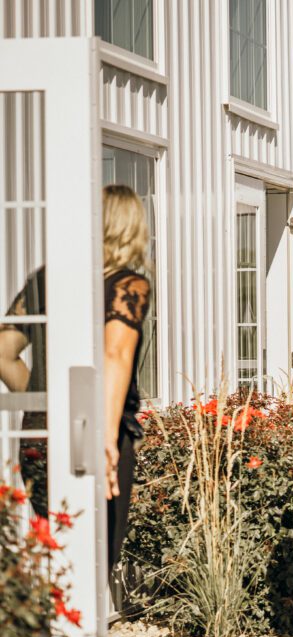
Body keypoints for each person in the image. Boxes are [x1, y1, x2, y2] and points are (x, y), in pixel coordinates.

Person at [0, 184, 151, 575]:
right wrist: (104, 441)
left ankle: (52, 634)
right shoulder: (127, 286)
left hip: (39, 438)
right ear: (131, 229)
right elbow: (115, 354)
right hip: (96, 436)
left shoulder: (45, 280)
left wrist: (44, 396)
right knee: (95, 559)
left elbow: (3, 351)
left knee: (57, 555)